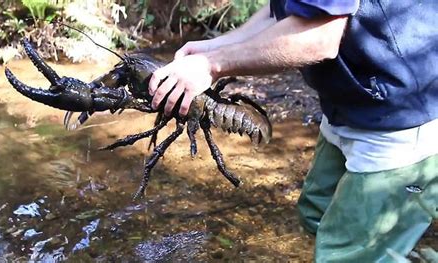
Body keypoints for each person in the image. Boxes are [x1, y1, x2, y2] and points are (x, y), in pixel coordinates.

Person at [148, 0, 438, 262]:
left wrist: (213, 65)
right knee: (316, 212)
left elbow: (320, 37)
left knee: (350, 255)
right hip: (351, 105)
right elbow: (287, 8)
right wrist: (215, 47)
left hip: (403, 118)